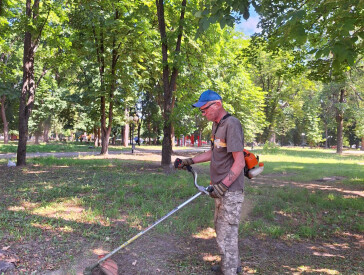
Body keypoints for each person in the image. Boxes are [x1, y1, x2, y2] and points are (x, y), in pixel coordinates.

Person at [175, 89, 245, 275]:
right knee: (222, 230)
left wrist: (223, 185)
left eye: (204, 109)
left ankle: (229, 271)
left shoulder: (232, 124)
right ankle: (231, 265)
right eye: (201, 110)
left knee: (226, 233)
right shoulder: (217, 125)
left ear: (217, 105)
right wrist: (189, 161)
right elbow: (212, 153)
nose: (202, 113)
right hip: (220, 189)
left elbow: (240, 161)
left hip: (230, 190)